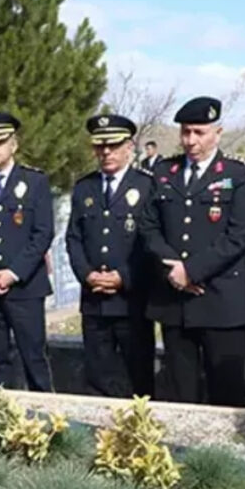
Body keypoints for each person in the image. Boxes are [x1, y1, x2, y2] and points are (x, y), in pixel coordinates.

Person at [139, 96, 245, 406]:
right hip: (174, 301)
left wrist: (191, 270)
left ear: (217, 133)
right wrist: (173, 271)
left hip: (220, 300)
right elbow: (149, 228)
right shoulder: (165, 172)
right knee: (181, 392)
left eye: (199, 132)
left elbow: (237, 236)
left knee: (226, 392)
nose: (191, 140)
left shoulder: (238, 175)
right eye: (186, 132)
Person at [66, 114, 156, 397]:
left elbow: (150, 242)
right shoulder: (85, 187)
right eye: (100, 146)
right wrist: (87, 274)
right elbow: (74, 238)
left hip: (131, 301)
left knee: (138, 378)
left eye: (113, 146)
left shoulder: (146, 185)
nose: (106, 152)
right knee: (97, 379)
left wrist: (123, 277)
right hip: (94, 300)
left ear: (129, 146)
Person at [0, 112, 55, 392]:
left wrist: (13, 273)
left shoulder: (35, 182)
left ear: (13, 145)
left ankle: (47, 422)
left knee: (34, 358)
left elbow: (42, 233)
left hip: (25, 287)